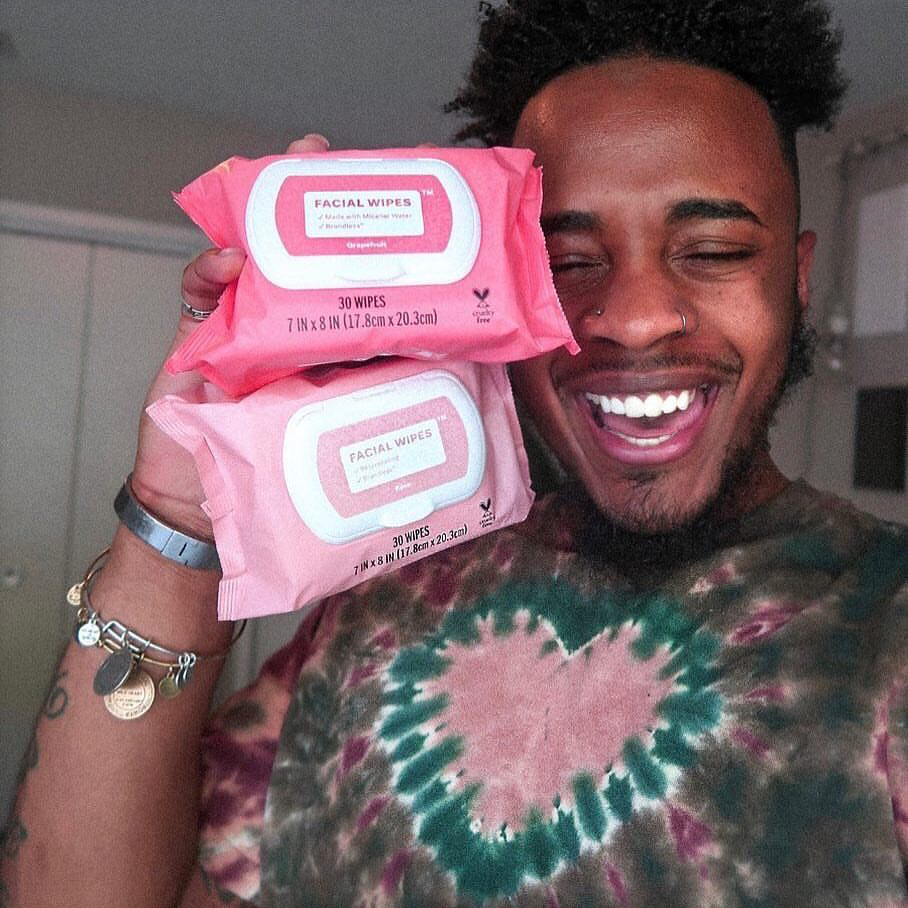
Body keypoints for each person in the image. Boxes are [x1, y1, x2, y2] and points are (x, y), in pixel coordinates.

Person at [3, 0, 907, 905]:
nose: (634, 319)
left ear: (797, 279)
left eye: (711, 250)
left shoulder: (884, 629)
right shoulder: (389, 599)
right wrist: (176, 527)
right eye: (566, 261)